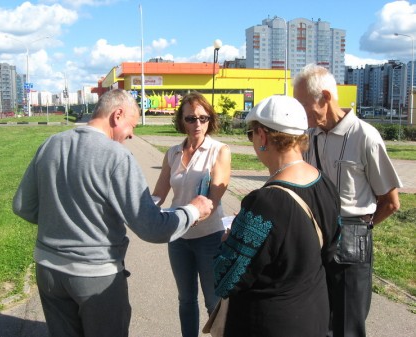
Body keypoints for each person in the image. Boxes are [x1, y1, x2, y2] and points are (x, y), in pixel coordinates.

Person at [12, 89, 213, 337]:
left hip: (48, 272)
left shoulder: (51, 144)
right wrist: (193, 210)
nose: (132, 134)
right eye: (132, 125)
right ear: (117, 115)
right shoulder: (117, 156)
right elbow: (152, 227)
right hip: (96, 276)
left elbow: (22, 206)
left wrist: (61, 220)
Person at [213, 95, 341, 337]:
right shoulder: (324, 183)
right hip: (313, 317)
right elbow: (333, 247)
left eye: (251, 134)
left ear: (262, 136)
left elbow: (225, 277)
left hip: (268, 322)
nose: (252, 141)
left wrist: (228, 242)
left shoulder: (264, 203)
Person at [293, 64, 403, 337]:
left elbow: (390, 202)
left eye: (303, 105)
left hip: (352, 236)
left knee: (347, 323)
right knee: (315, 316)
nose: (300, 113)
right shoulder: (309, 136)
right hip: (316, 235)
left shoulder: (365, 136)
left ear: (326, 98)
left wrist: (360, 229)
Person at [152, 92, 231, 337]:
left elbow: (213, 199)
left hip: (209, 237)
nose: (197, 124)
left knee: (213, 301)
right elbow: (158, 194)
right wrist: (142, 212)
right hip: (178, 237)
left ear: (210, 120)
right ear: (181, 121)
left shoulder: (219, 150)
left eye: (203, 118)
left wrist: (190, 215)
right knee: (185, 299)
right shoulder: (172, 153)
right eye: (191, 118)